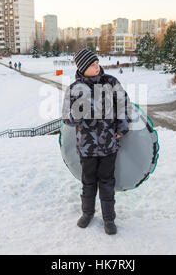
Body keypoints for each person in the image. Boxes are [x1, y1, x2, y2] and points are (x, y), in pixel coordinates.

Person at [62, 48, 132, 235]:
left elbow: (124, 105)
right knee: (88, 182)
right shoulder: (74, 89)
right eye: (92, 64)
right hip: (86, 148)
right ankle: (87, 213)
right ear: (83, 67)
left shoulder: (110, 82)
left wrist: (121, 129)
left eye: (97, 63)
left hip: (109, 145)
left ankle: (109, 219)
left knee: (107, 182)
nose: (97, 66)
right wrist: (78, 111)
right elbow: (67, 119)